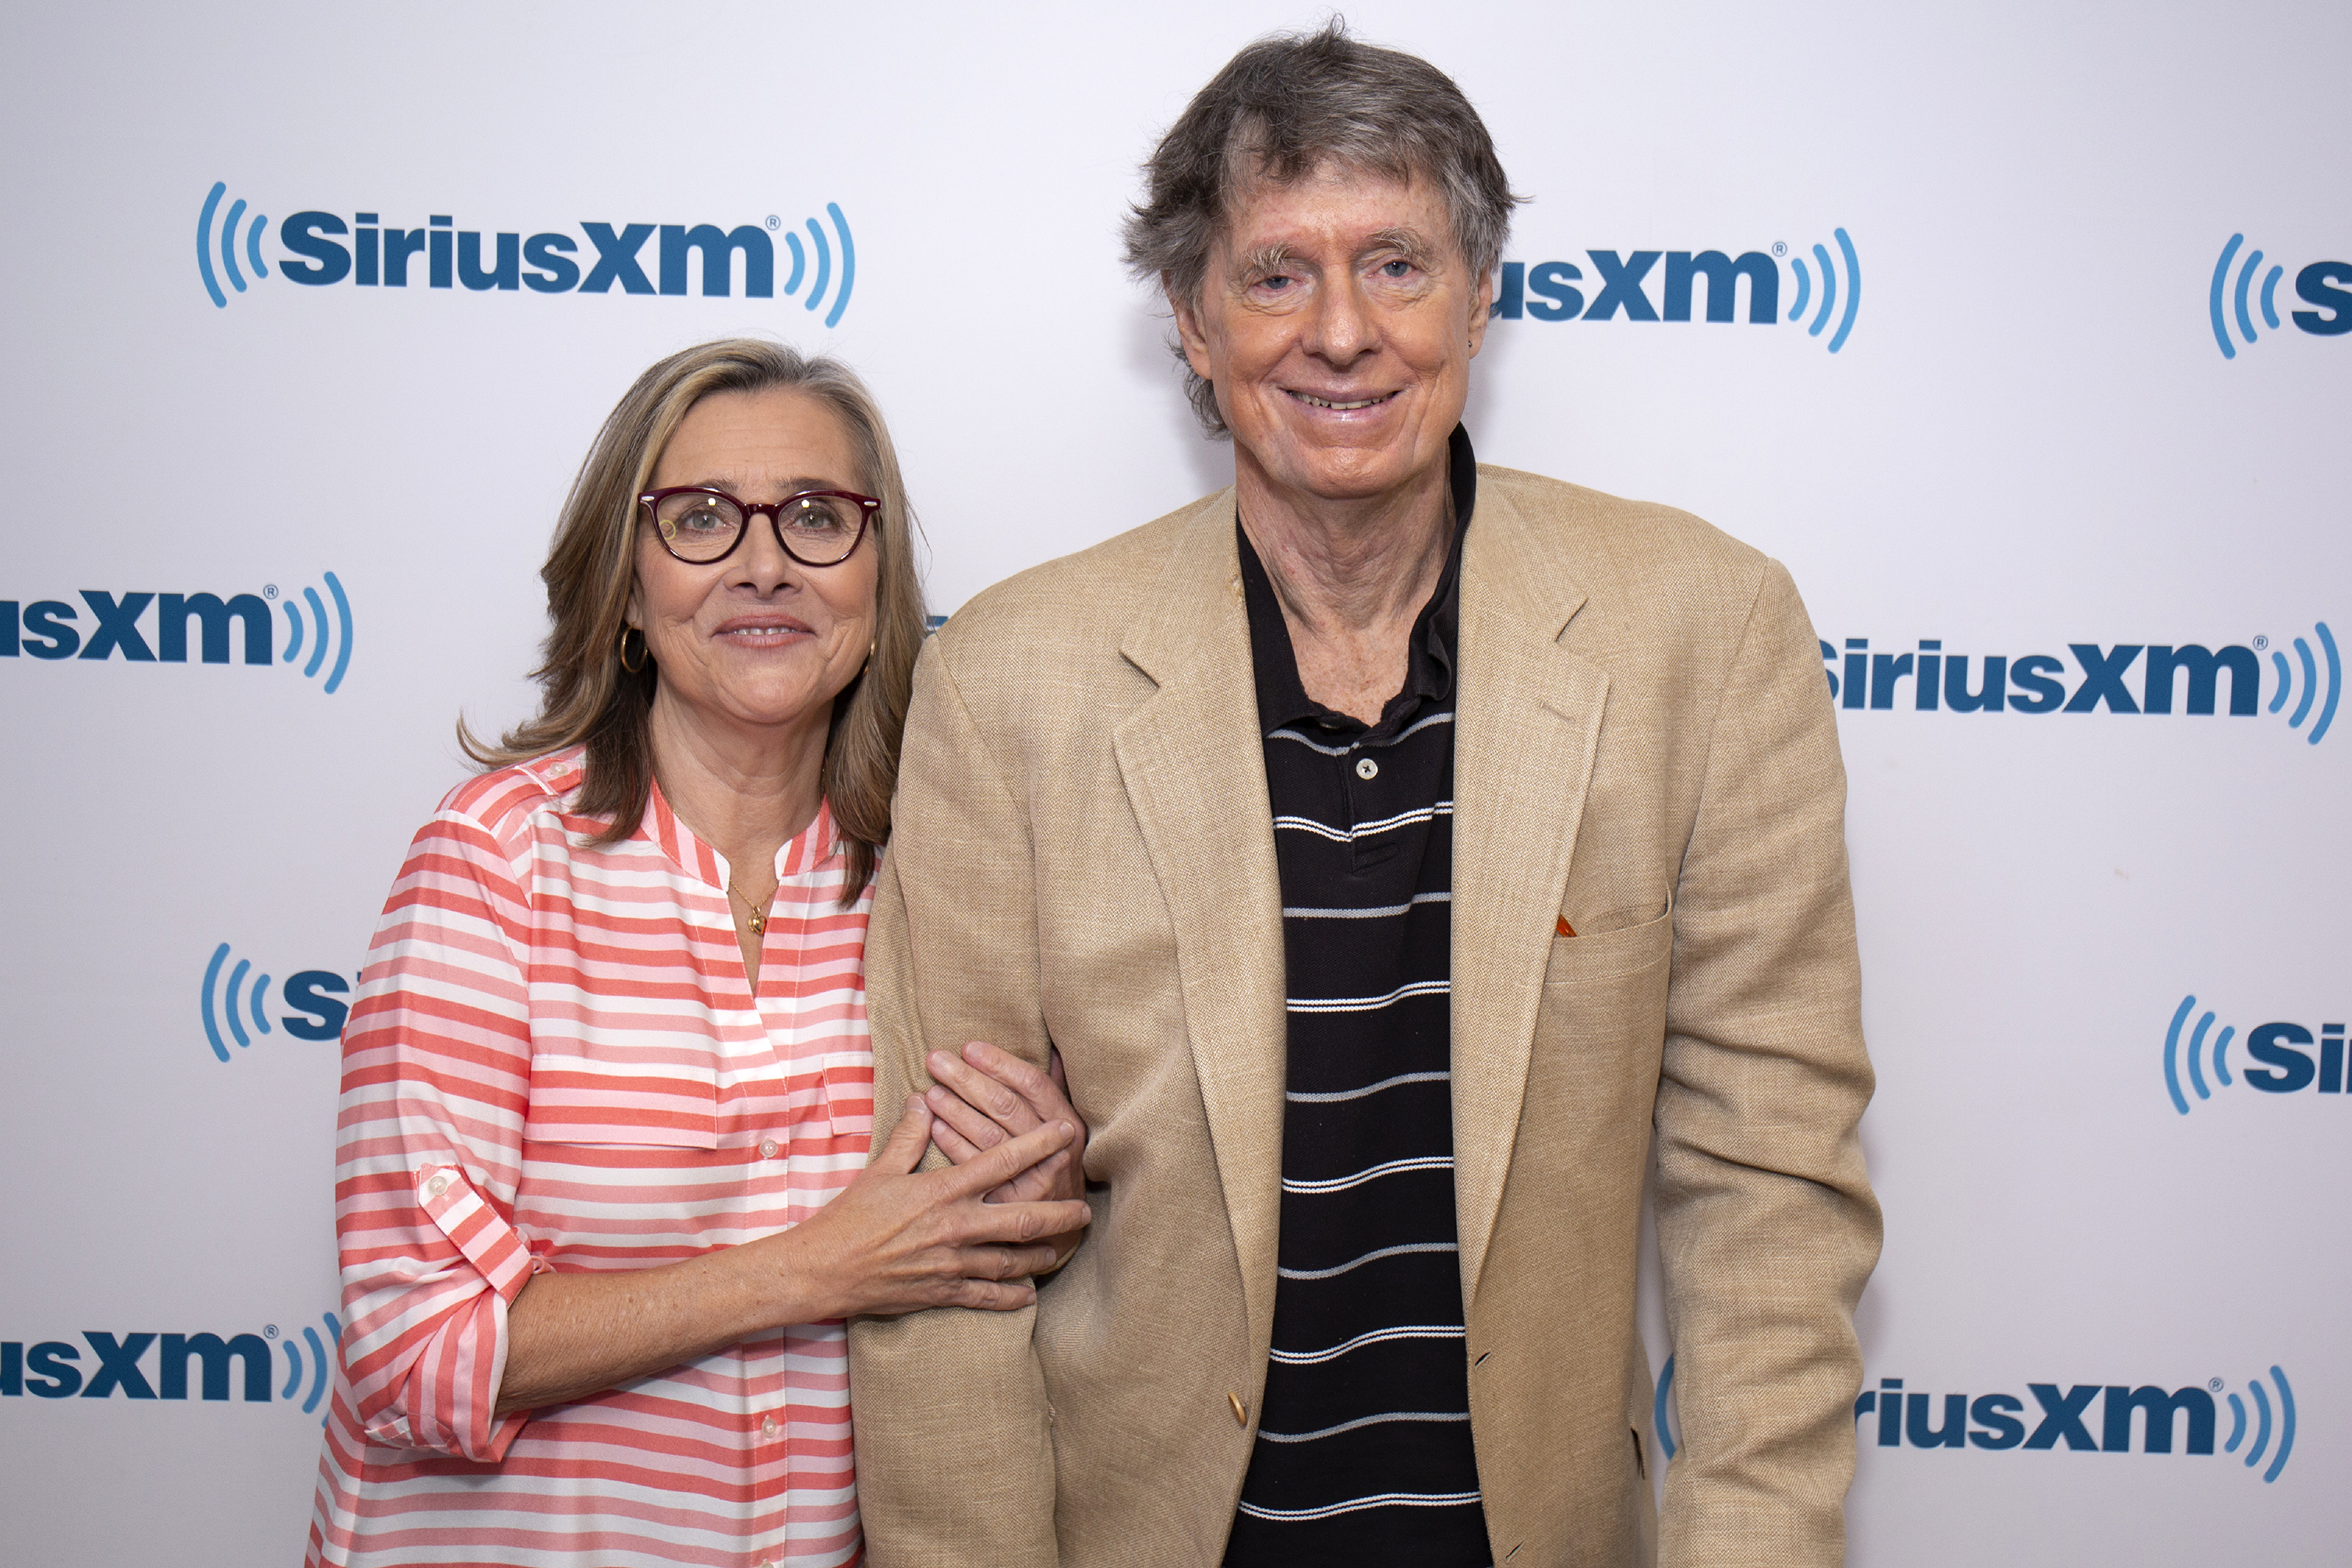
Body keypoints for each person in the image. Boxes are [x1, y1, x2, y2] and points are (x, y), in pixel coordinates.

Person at [848, 23, 1881, 1568]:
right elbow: (948, 1261)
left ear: (1481, 292)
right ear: (1192, 323)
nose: (1343, 331)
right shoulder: (1014, 674)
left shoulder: (1703, 630)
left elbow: (1771, 1192)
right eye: (1274, 274)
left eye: (1397, 262)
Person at [303, 339, 1091, 1568]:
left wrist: (1037, 1201)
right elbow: (420, 1352)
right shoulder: (497, 862)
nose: (765, 563)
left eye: (820, 518)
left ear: (877, 583)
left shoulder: (932, 881)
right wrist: (815, 1267)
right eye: (703, 520)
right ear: (625, 587)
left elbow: (975, 1232)